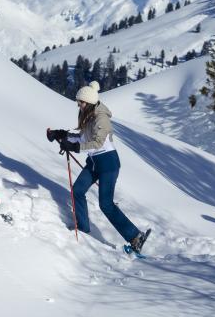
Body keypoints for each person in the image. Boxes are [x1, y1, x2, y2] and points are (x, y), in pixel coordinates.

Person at [47, 81, 150, 253]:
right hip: (94, 163)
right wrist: (61, 135)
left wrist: (74, 147)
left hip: (108, 164)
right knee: (77, 190)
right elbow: (82, 137)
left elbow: (96, 142)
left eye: (80, 102)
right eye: (78, 101)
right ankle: (83, 228)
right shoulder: (87, 114)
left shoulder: (101, 118)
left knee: (106, 204)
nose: (78, 104)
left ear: (88, 102)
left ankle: (135, 237)